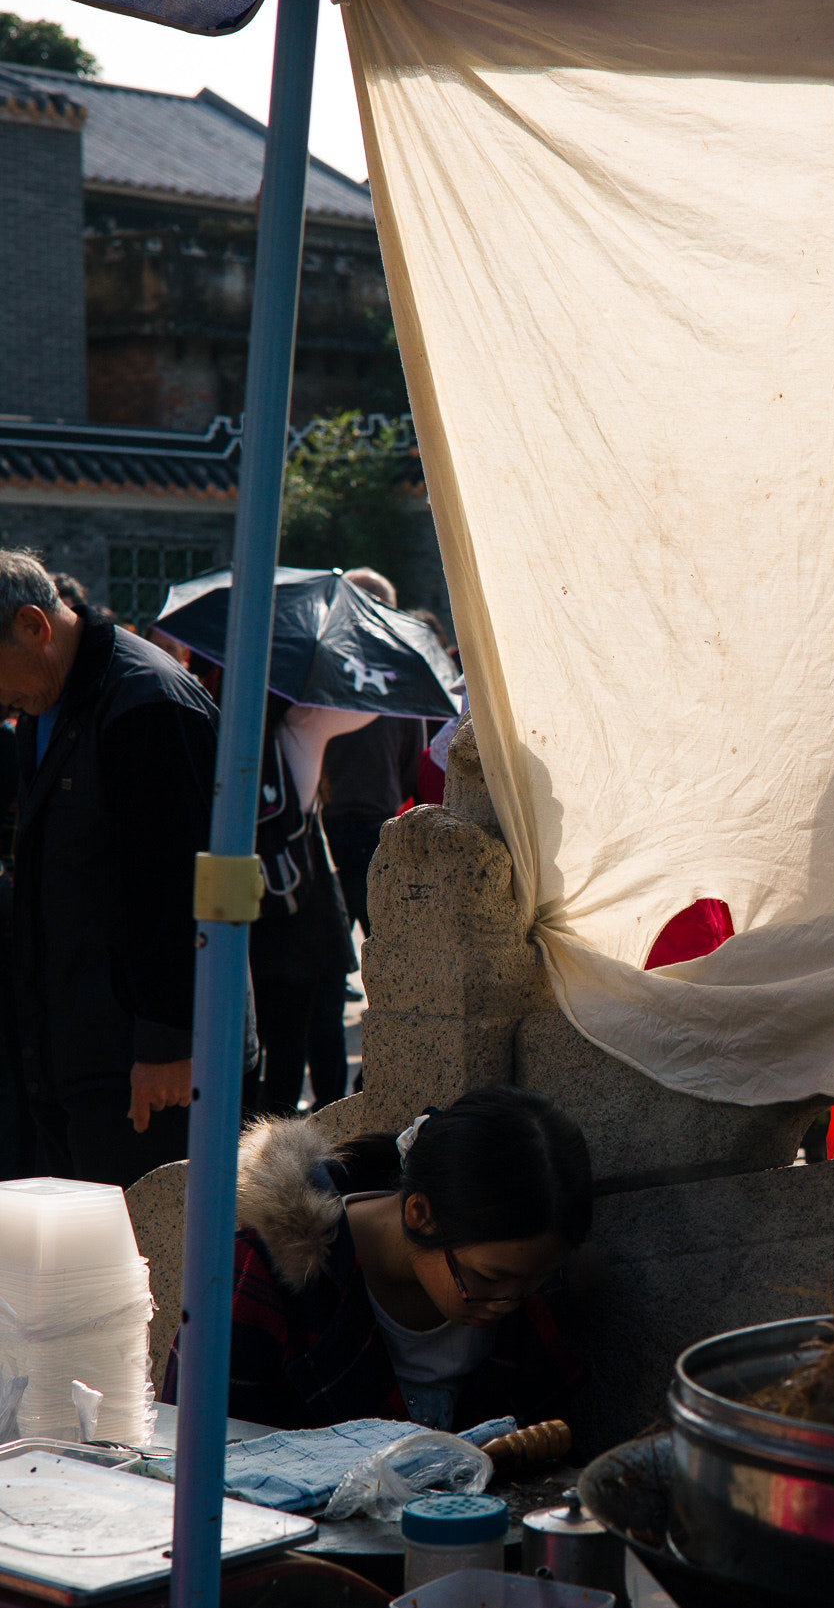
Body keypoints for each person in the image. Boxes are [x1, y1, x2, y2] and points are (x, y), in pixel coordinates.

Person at [163, 1086, 590, 1430]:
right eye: (490, 1278)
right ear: (420, 1214)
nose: (507, 1302)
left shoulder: (526, 1285)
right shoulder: (261, 1275)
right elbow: (200, 1455)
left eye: (530, 1285)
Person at [0, 551, 217, 1185]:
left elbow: (176, 890)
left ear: (35, 627)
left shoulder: (146, 701)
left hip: (143, 1063)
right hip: (73, 1043)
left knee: (144, 1261)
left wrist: (167, 1044)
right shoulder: (47, 702)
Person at [251, 694, 373, 1115]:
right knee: (296, 1036)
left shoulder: (219, 723)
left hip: (240, 908)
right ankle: (285, 1136)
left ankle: (240, 1135)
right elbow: (368, 704)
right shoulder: (301, 726)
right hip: (298, 912)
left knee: (250, 1041)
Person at [320, 566, 426, 936]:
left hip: (378, 830)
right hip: (321, 828)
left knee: (388, 947)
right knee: (326, 959)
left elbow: (413, 763)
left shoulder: (403, 673)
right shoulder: (322, 665)